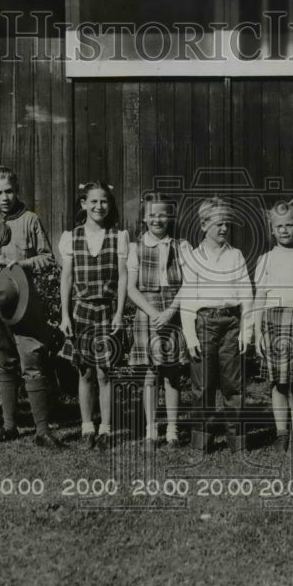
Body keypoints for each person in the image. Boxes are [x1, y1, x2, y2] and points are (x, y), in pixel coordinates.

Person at [0, 165, 62, 448]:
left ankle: (42, 430)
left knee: (31, 357)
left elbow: (48, 258)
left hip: (23, 298)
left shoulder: (30, 220)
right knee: (3, 360)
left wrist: (22, 263)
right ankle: (9, 426)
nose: (5, 197)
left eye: (9, 191)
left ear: (17, 190)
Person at [177, 197, 254, 454]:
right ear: (203, 225)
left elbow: (246, 294)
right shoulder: (193, 257)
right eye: (218, 224)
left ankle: (238, 442)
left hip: (231, 324)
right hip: (204, 324)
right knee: (202, 386)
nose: (224, 229)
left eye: (227, 224)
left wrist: (246, 330)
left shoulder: (235, 255)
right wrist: (190, 336)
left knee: (234, 386)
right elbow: (187, 298)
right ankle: (201, 442)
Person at [59, 181, 128, 451]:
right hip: (81, 310)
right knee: (85, 372)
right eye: (94, 201)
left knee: (105, 372)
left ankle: (106, 429)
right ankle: (87, 427)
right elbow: (66, 278)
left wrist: (120, 313)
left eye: (104, 201)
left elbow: (123, 278)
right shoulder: (71, 237)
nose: (99, 206)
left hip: (108, 310)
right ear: (83, 204)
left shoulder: (118, 236)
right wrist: (65, 315)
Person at [252, 199, 293, 454]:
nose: (284, 230)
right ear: (271, 229)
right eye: (279, 226)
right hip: (272, 322)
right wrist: (257, 332)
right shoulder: (265, 259)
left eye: (289, 224)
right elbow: (259, 298)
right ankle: (281, 433)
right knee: (278, 383)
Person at [125, 193, 190, 451]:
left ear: (170, 216)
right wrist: (153, 313)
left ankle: (172, 430)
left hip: (173, 311)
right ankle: (151, 431)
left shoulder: (181, 246)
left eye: (162, 214)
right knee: (151, 375)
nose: (157, 219)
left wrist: (171, 310)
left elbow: (189, 283)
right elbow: (131, 288)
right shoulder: (135, 247)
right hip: (147, 311)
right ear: (144, 218)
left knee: (172, 375)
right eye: (152, 214)